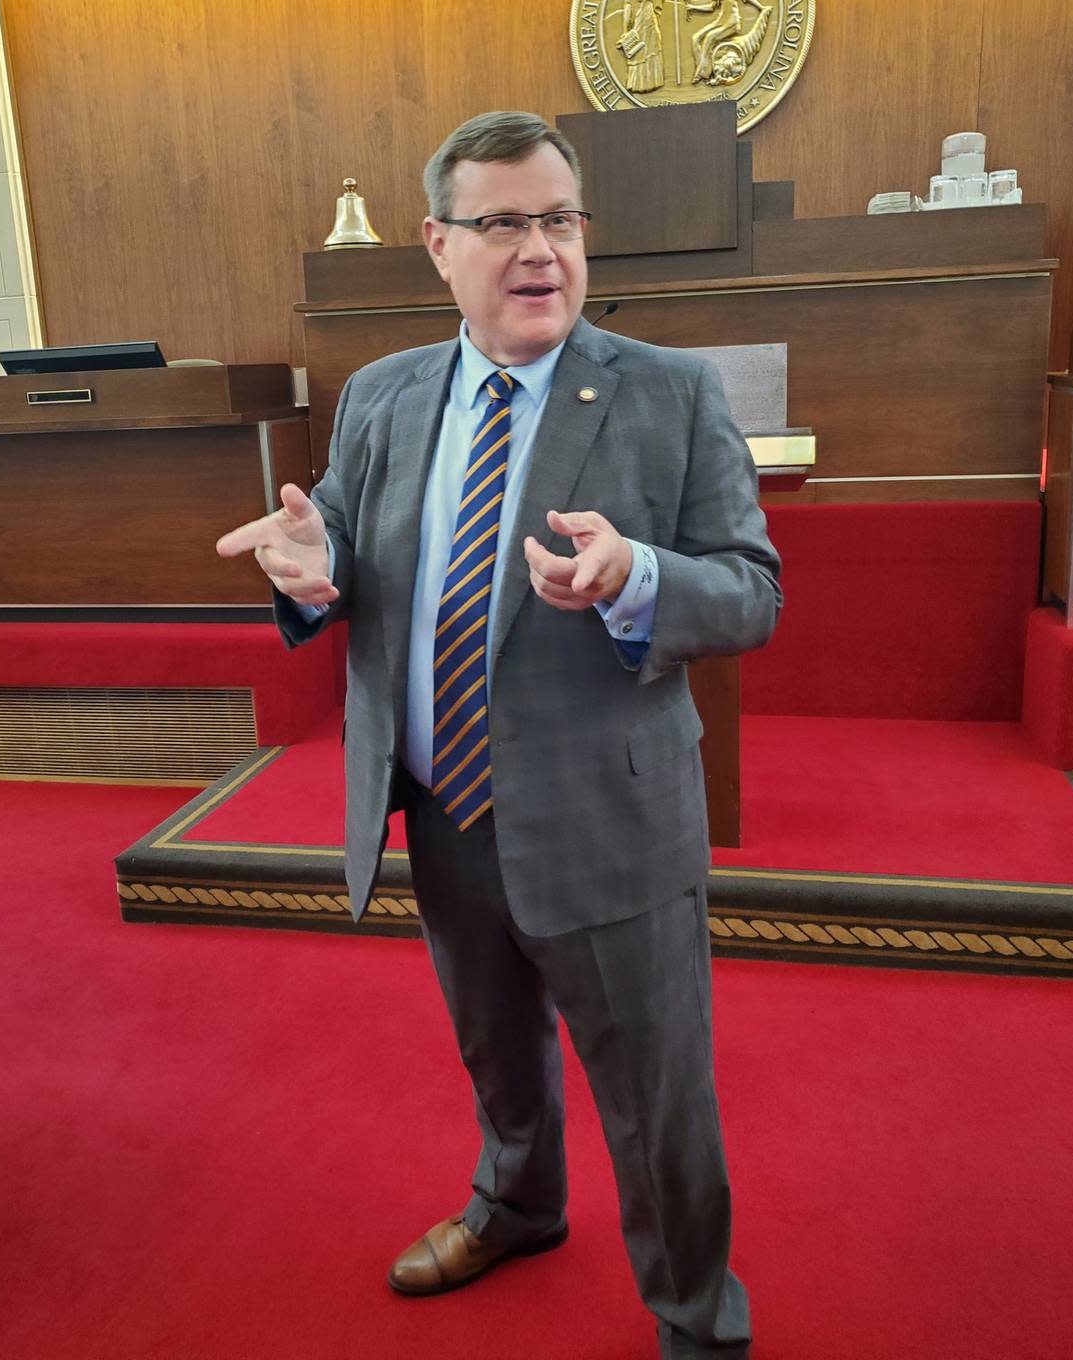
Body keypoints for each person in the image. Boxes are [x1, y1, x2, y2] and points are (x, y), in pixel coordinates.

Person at [216, 111, 781, 1359]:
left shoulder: (668, 393)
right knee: (496, 1052)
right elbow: (347, 554)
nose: (543, 249)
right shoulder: (382, 394)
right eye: (507, 222)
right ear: (439, 244)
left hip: (608, 814)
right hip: (446, 802)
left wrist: (637, 575)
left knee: (657, 1099)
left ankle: (697, 1320)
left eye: (563, 219)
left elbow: (752, 588)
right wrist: (313, 572)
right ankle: (520, 1203)